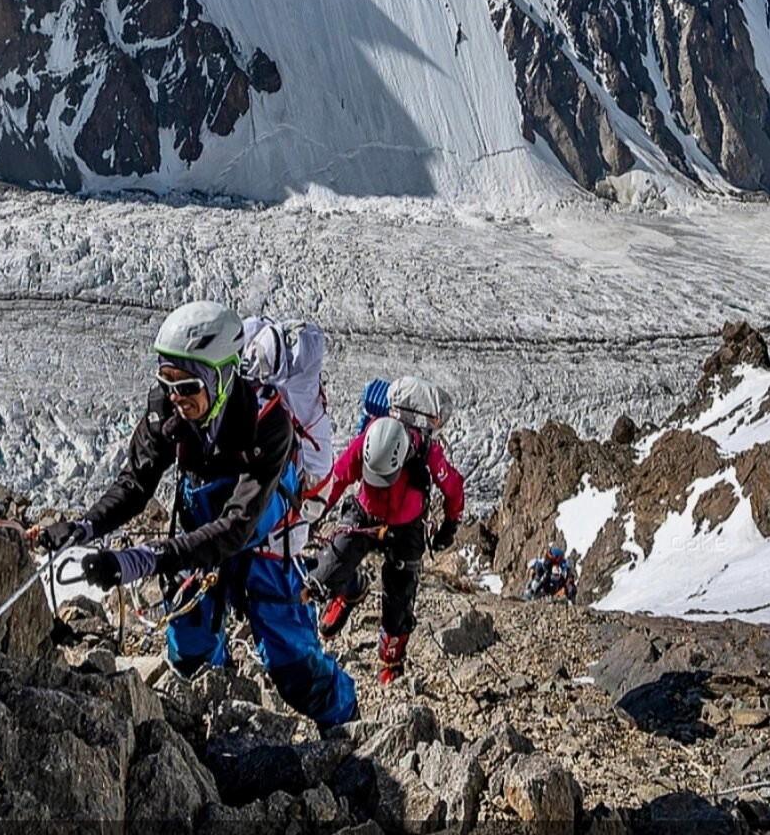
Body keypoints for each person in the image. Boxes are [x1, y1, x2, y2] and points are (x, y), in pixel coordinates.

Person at [34, 300, 357, 727]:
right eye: (167, 382)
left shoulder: (269, 421)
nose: (175, 397)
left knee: (293, 665)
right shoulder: (167, 409)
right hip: (202, 529)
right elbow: (136, 482)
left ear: (220, 375)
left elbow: (237, 525)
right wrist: (85, 526)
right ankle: (219, 708)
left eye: (186, 385)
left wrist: (144, 560)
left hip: (262, 537)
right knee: (190, 651)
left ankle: (347, 723)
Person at [307, 413, 465, 684]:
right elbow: (338, 477)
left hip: (406, 526)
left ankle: (390, 661)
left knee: (399, 600)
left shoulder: (426, 453)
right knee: (329, 567)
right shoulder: (366, 441)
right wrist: (313, 514)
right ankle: (349, 588)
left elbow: (453, 486)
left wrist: (450, 525)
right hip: (366, 513)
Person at [241, 315, 333, 530]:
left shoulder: (297, 383)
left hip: (302, 491)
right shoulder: (300, 387)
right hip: (306, 487)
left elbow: (300, 345)